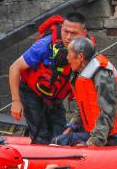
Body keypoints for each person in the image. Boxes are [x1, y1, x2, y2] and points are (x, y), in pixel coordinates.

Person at [8, 13, 88, 144]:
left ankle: (59, 162)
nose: (68, 37)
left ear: (83, 33)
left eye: (73, 33)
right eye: (65, 31)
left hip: (54, 96)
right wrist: (16, 101)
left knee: (60, 135)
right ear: (61, 29)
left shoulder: (86, 51)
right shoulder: (45, 45)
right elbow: (14, 68)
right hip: (31, 92)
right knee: (41, 135)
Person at [52, 37, 117, 147]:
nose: (67, 58)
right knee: (60, 139)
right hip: (97, 131)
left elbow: (108, 110)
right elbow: (83, 106)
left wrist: (95, 141)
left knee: (59, 142)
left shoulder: (101, 73)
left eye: (69, 54)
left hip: (114, 135)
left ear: (80, 57)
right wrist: (72, 126)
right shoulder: (81, 72)